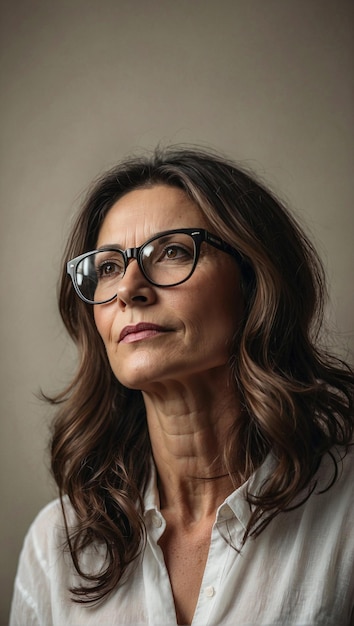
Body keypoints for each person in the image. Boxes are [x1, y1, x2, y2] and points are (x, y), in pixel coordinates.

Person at [10, 146, 354, 626]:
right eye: (108, 266)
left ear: (255, 284)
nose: (129, 288)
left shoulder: (346, 511)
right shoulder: (56, 545)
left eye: (172, 251)